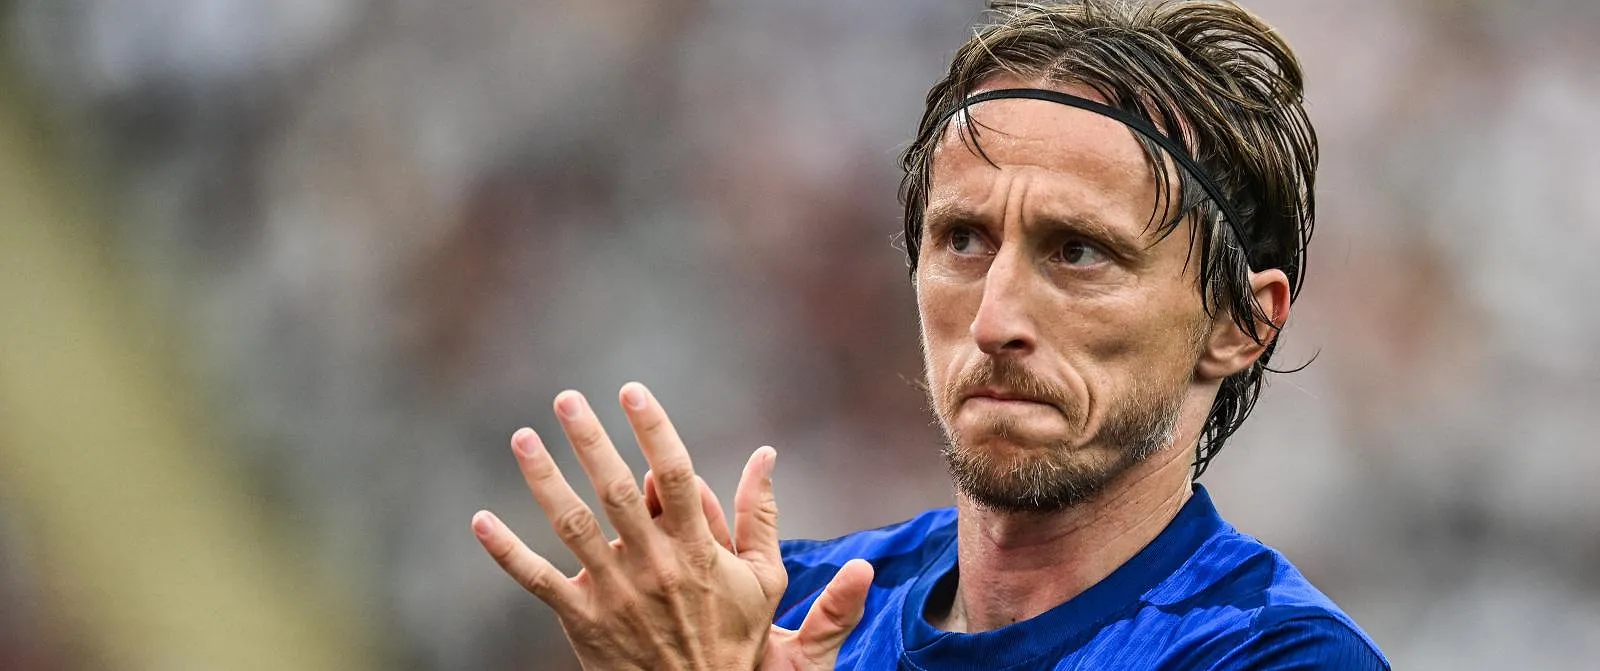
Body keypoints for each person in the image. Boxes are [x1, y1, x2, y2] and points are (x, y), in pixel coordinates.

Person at [470, 0, 1390, 668]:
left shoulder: (1272, 650)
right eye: (962, 241)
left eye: (1077, 251)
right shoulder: (781, 608)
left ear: (1239, 323)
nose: (994, 321)